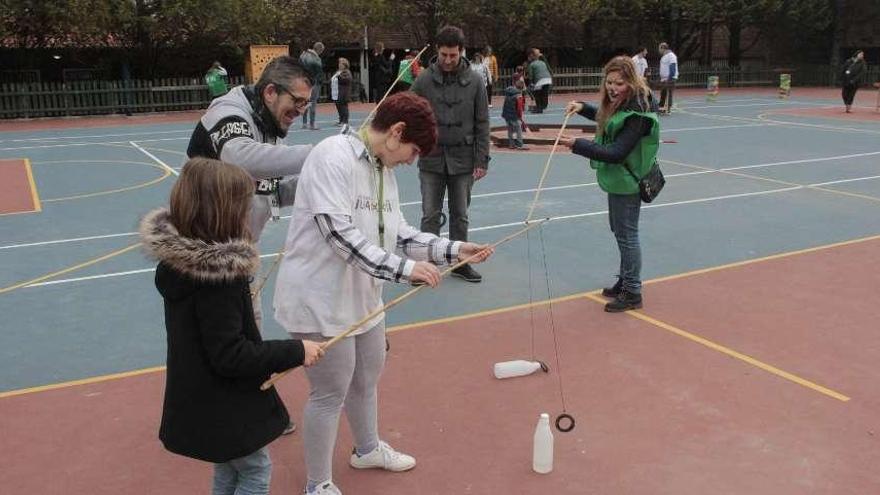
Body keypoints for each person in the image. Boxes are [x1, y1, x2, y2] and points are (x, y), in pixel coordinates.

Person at [272, 92, 494, 495]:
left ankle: (368, 448)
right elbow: (341, 236)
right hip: (319, 301)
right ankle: (317, 483)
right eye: (413, 151)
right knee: (329, 392)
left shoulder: (382, 168)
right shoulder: (332, 157)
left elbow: (399, 233)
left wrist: (451, 249)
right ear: (395, 133)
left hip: (363, 296)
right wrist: (407, 270)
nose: (412, 161)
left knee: (365, 379)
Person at [139, 157, 324, 495]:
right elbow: (231, 355)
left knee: (229, 468)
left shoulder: (182, 266)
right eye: (242, 206)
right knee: (254, 470)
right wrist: (297, 350)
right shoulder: (217, 279)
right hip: (225, 403)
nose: (247, 213)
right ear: (221, 212)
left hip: (203, 397)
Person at [186, 55, 314, 435]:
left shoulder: (267, 123)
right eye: (298, 102)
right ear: (271, 91)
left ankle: (247, 406)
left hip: (239, 251)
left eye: (308, 104)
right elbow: (240, 157)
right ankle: (247, 411)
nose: (301, 111)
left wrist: (320, 181)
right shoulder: (230, 113)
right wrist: (320, 154)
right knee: (235, 340)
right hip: (207, 254)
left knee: (240, 336)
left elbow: (271, 190)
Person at [558, 56, 660, 312]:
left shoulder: (639, 114)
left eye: (620, 83)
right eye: (609, 82)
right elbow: (607, 119)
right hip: (619, 181)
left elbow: (616, 152)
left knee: (628, 235)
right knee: (619, 231)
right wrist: (583, 107)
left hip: (629, 182)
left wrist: (578, 145)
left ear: (632, 82)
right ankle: (626, 280)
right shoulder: (621, 104)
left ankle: (633, 291)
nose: (613, 88)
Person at [411, 26, 491, 283]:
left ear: (461, 52)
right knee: (430, 214)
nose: (447, 60)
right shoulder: (423, 79)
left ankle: (460, 261)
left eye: (453, 55)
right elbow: (409, 111)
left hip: (464, 158)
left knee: (460, 215)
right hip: (431, 157)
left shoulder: (476, 81)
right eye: (444, 54)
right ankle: (425, 265)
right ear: (437, 51)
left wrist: (482, 159)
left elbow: (482, 122)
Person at [300, 42, 325, 129]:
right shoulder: (316, 59)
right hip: (314, 82)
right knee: (313, 102)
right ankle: (312, 124)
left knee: (305, 102)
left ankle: (304, 123)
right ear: (319, 50)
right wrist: (320, 81)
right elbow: (319, 72)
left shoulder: (303, 55)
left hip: (304, 82)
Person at [502, 77, 529, 150]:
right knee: (518, 129)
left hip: (506, 114)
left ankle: (511, 144)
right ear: (521, 88)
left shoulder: (508, 92)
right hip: (514, 115)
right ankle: (520, 144)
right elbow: (519, 108)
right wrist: (520, 117)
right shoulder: (519, 95)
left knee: (510, 129)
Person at [527, 48, 553, 113]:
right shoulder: (542, 62)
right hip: (548, 79)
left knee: (537, 94)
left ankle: (539, 108)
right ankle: (543, 105)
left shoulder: (531, 65)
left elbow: (531, 76)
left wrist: (531, 83)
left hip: (540, 80)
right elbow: (548, 69)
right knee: (544, 93)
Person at [330, 57, 352, 126]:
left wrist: (339, 76)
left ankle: (345, 121)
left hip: (343, 93)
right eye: (339, 63)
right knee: (338, 107)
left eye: (341, 63)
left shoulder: (347, 72)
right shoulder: (337, 71)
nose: (339, 65)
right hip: (336, 93)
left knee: (343, 107)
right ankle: (341, 120)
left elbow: (346, 80)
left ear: (345, 65)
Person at [658, 42, 678, 114]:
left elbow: (672, 67)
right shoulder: (664, 56)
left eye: (659, 48)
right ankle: (662, 107)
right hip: (664, 79)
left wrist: (669, 78)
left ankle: (667, 108)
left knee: (668, 93)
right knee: (663, 93)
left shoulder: (671, 56)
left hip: (669, 78)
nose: (659, 50)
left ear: (663, 48)